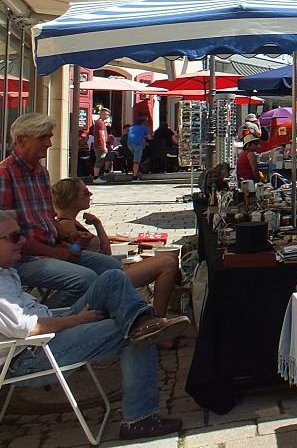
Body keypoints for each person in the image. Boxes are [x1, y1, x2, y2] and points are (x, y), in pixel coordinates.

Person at [0, 210, 186, 439]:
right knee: (130, 333)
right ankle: (139, 419)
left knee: (112, 278)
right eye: (14, 237)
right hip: (31, 354)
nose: (23, 241)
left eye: (20, 234)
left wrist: (68, 320)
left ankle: (144, 321)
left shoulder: (6, 272)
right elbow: (27, 328)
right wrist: (74, 321)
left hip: (47, 333)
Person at [0, 114, 122, 307]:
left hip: (50, 249)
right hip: (21, 259)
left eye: (50, 137)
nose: (49, 143)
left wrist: (70, 236)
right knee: (84, 279)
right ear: (22, 140)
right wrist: (56, 252)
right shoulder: (4, 174)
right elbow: (8, 238)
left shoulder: (41, 173)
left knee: (111, 266)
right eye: (43, 137)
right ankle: (48, 318)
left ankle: (99, 315)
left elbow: (48, 218)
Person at [52, 179, 180, 319]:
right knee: (168, 263)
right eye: (85, 192)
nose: (90, 194)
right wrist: (79, 245)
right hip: (105, 280)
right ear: (72, 199)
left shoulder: (72, 223)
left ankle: (158, 318)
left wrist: (97, 224)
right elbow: (72, 254)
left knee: (169, 260)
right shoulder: (66, 226)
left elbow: (106, 252)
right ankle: (158, 319)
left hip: (109, 272)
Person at [91, 108, 113, 185]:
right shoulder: (100, 123)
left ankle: (105, 172)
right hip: (100, 145)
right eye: (106, 115)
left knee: (108, 157)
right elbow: (102, 135)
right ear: (102, 114)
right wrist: (104, 147)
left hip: (99, 144)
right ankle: (96, 177)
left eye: (108, 115)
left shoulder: (99, 123)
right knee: (99, 160)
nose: (107, 116)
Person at [127, 115, 151, 181]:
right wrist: (146, 135)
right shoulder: (145, 128)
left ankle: (138, 170)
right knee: (136, 161)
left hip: (129, 144)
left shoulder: (131, 127)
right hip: (138, 145)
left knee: (136, 157)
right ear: (143, 123)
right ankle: (134, 175)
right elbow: (150, 138)